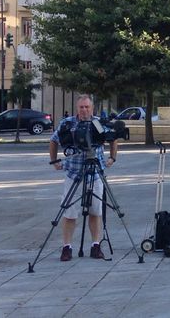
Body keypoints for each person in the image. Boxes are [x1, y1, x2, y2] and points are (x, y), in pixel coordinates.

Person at [49, 95, 118, 261]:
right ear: (77, 108)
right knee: (69, 212)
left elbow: (113, 139)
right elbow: (53, 140)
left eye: (87, 107)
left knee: (96, 211)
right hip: (74, 173)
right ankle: (67, 247)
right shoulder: (68, 123)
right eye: (81, 107)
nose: (84, 110)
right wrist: (54, 160)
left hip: (95, 173)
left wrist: (112, 157)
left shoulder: (98, 123)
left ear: (92, 108)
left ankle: (96, 245)